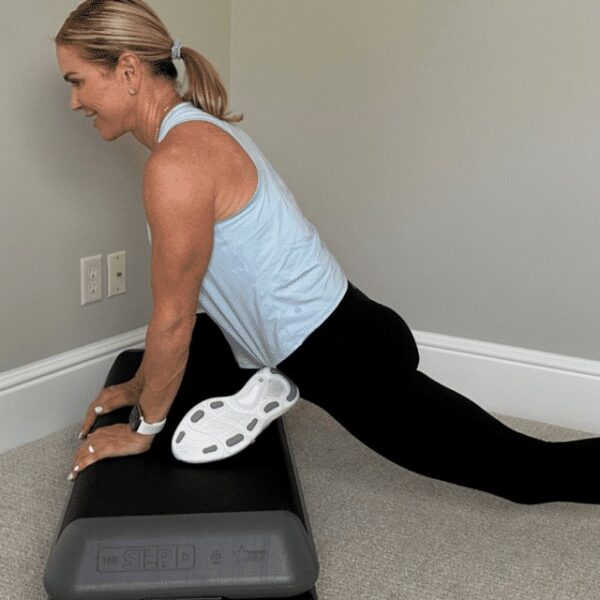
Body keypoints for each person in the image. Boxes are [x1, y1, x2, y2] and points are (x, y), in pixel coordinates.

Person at [55, 0, 600, 504]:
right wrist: (139, 386)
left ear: (127, 71)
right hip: (347, 327)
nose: (74, 100)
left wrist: (141, 431)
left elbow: (172, 318)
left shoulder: (175, 165)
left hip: (341, 358)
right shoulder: (197, 130)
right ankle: (266, 376)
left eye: (78, 81)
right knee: (198, 353)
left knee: (528, 474)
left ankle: (271, 376)